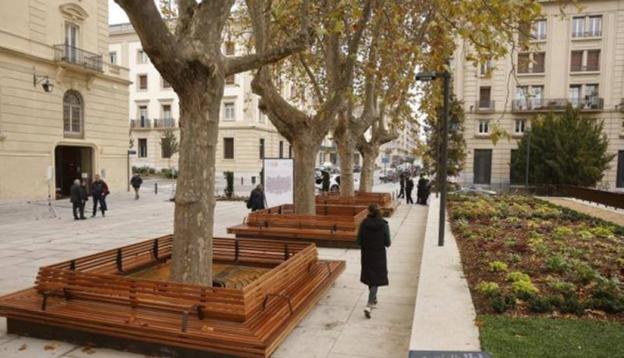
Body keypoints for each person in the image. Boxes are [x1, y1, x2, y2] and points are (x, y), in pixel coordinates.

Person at [357, 204, 391, 319]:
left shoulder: (363, 224)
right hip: (379, 255)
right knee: (375, 279)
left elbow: (358, 241)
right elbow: (388, 243)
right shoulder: (384, 225)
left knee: (370, 276)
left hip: (367, 254)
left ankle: (374, 298)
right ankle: (369, 305)